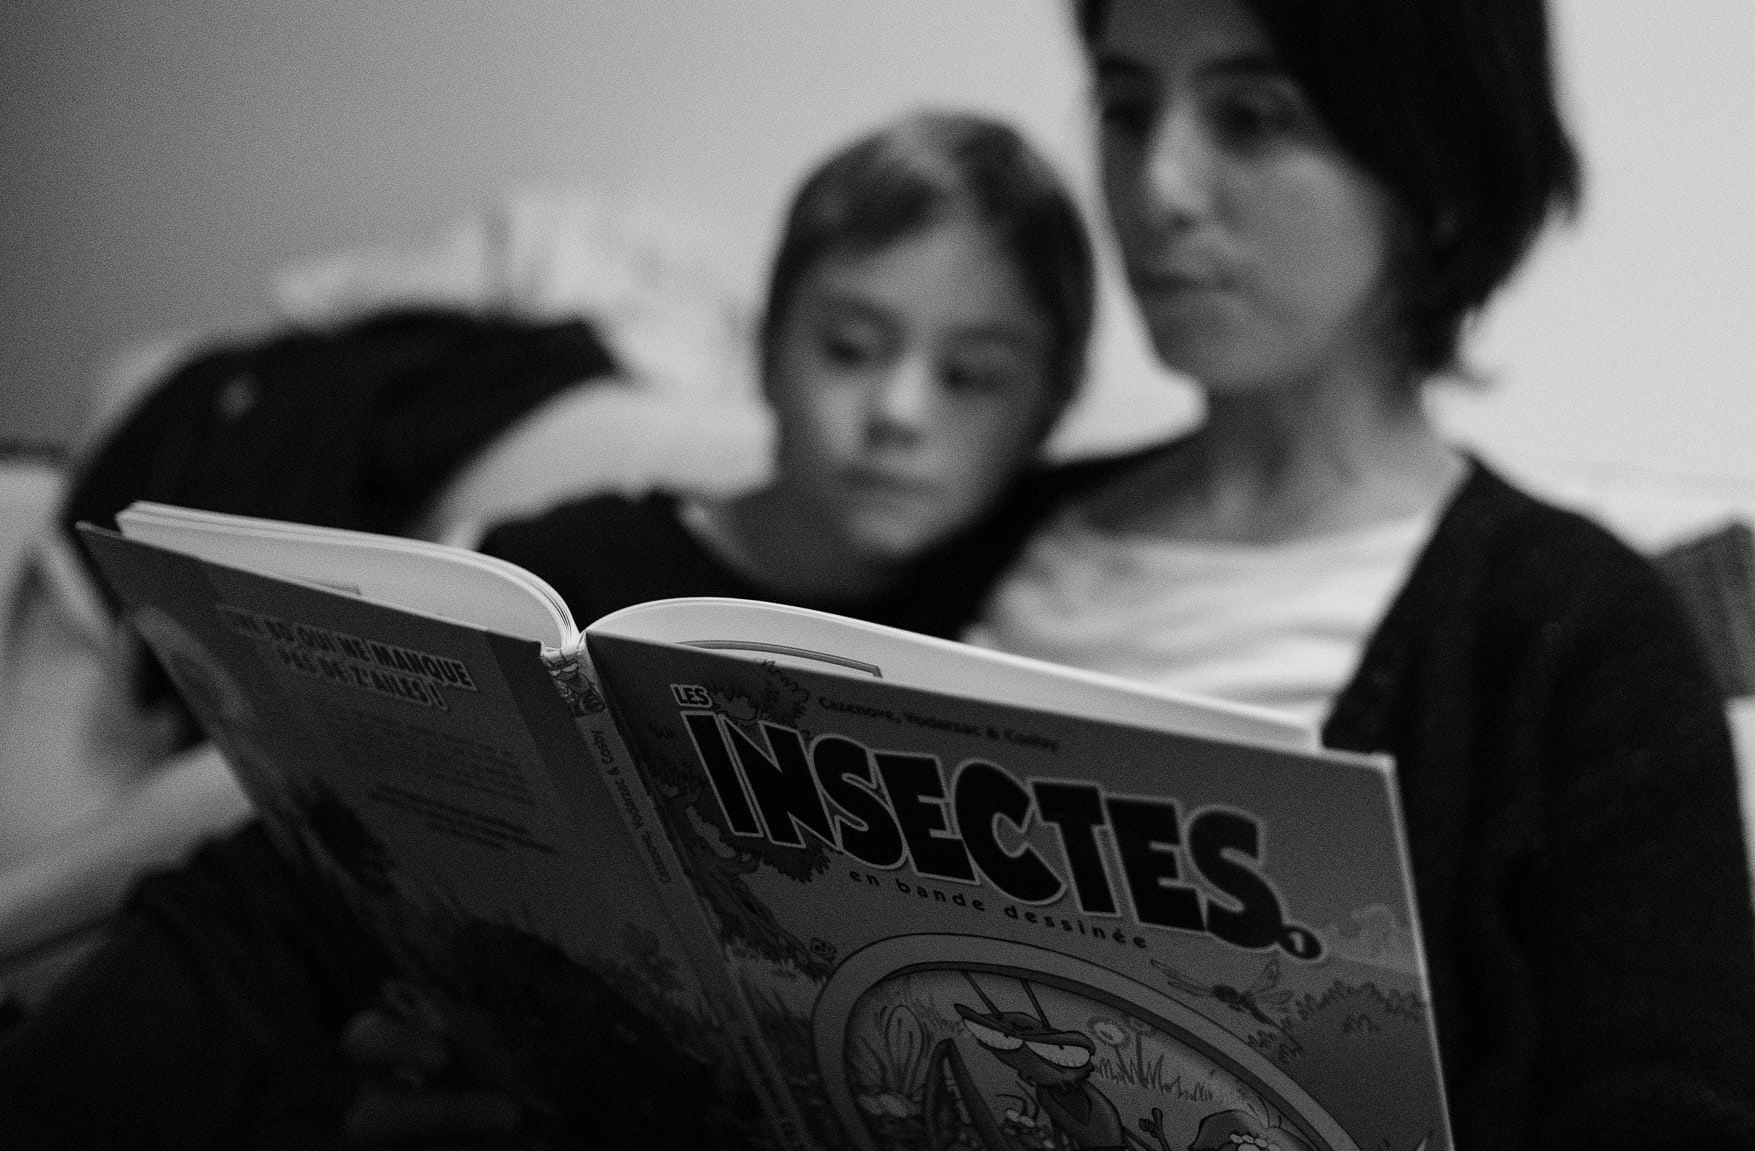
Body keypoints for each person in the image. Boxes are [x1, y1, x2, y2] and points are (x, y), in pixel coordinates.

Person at [0, 108, 1097, 1149]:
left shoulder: (1025, 576)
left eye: (971, 376)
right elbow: (261, 776)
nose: (900, 410)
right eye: (851, 346)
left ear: (1045, 408)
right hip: (254, 957)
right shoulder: (576, 552)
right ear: (765, 352)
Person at [956, 0, 1755, 1148]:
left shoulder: (1575, 637)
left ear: (1433, 160)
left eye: (1251, 115)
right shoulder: (987, 521)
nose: (1157, 186)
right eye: (1126, 109)